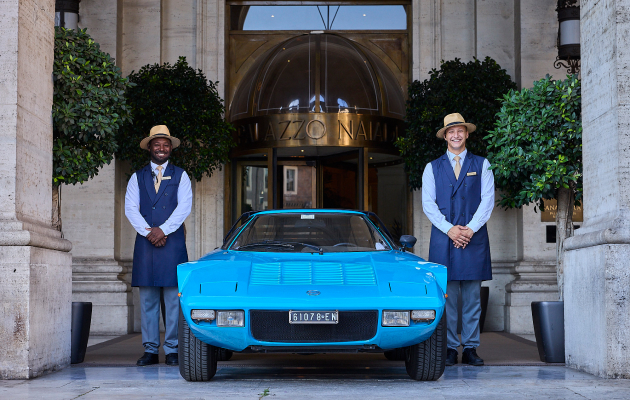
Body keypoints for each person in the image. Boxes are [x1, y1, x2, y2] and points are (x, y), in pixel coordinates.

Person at [422, 113, 494, 366]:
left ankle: (471, 347)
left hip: (474, 238)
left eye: (460, 131)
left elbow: (488, 201)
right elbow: (428, 205)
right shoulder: (431, 167)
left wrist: (469, 230)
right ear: (445, 136)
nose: (456, 135)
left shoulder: (482, 164)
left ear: (466, 134)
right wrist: (450, 230)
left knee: (473, 298)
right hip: (444, 239)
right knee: (448, 298)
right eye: (451, 131)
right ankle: (451, 347)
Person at [125, 125, 192, 366]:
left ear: (170, 148)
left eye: (165, 145)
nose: (161, 148)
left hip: (172, 242)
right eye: (157, 144)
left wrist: (162, 230)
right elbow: (130, 209)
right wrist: (149, 233)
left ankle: (172, 349)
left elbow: (184, 207)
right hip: (146, 243)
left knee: (173, 300)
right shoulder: (137, 176)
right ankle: (150, 350)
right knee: (148, 300)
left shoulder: (181, 175)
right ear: (150, 148)